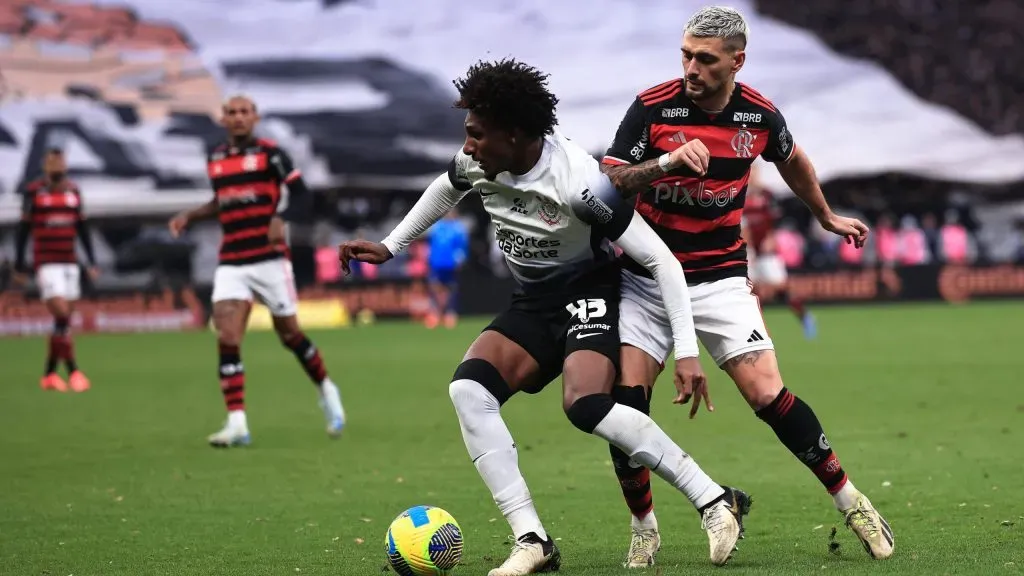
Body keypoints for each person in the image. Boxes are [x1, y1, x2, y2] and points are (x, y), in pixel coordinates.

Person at [339, 59, 751, 576]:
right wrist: (390, 245)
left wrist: (687, 351)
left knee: (585, 405)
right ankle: (532, 540)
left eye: (476, 135)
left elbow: (661, 261)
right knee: (468, 391)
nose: (467, 147)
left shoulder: (580, 184)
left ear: (514, 135)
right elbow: (447, 185)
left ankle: (713, 499)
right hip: (533, 299)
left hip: (588, 291)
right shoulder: (480, 160)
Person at [599, 6, 892, 566]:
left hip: (720, 277)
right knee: (626, 406)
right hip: (645, 279)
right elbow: (610, 177)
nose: (691, 68)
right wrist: (664, 164)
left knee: (766, 394)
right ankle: (644, 527)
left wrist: (825, 215)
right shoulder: (653, 106)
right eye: (686, 55)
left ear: (737, 61)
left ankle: (852, 501)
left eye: (705, 59)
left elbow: (793, 159)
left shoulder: (758, 115)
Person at [168, 95, 345, 447]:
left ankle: (326, 388)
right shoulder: (216, 158)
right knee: (227, 336)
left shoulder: (271, 154)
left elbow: (302, 195)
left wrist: (282, 218)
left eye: (244, 112)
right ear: (223, 119)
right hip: (232, 260)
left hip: (269, 259)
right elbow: (222, 201)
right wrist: (190, 215)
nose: (238, 117)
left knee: (290, 335)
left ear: (254, 118)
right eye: (232, 112)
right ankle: (237, 423)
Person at [13, 148, 99, 393]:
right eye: (52, 162)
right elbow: (23, 229)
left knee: (63, 322)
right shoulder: (34, 192)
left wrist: (91, 261)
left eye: (60, 161)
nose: (57, 166)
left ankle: (49, 375)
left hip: (69, 261)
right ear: (45, 166)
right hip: (46, 262)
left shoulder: (73, 191)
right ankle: (74, 372)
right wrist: (20, 264)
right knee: (61, 314)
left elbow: (83, 228)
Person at [743, 181, 816, 338]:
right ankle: (759, 329)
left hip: (767, 252)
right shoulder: (738, 195)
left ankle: (804, 316)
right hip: (749, 251)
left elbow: (774, 222)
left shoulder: (767, 196)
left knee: (781, 287)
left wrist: (771, 238)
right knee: (752, 292)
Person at [424, 209, 469, 329]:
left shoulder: (459, 228)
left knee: (452, 288)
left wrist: (460, 259)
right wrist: (429, 258)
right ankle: (435, 314)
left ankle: (450, 314)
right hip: (436, 263)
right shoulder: (437, 227)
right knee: (434, 287)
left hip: (451, 264)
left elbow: (462, 246)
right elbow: (431, 244)